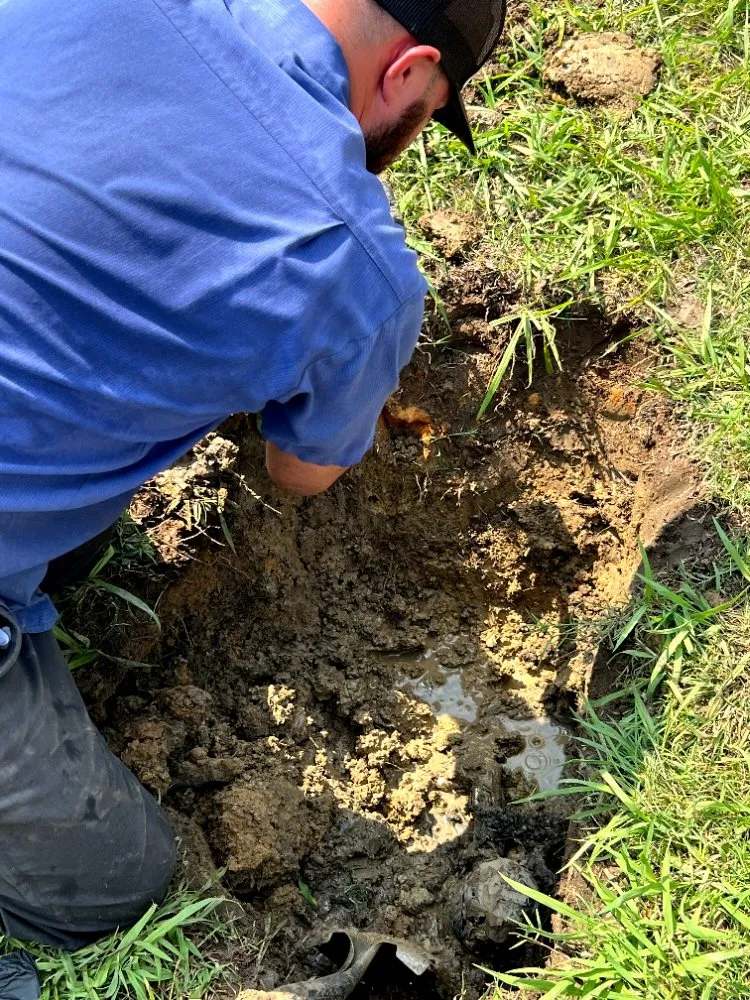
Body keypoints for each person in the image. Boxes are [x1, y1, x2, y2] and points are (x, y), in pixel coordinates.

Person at [0, 0, 506, 951]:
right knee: (114, 886)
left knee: (75, 532)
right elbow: (299, 474)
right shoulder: (351, 262)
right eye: (429, 113)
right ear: (409, 70)